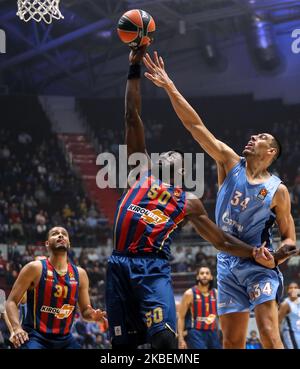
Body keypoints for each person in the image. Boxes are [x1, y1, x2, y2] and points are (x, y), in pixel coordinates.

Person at [105, 45, 293, 350]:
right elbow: (149, 119)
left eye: (176, 156)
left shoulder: (194, 201)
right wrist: (150, 76)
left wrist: (266, 255)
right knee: (226, 341)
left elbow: (257, 240)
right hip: (136, 265)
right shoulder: (145, 173)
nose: (168, 154)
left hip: (177, 265)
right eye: (165, 154)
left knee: (264, 334)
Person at [5, 226, 107, 349]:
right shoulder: (34, 268)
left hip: (65, 339)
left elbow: (85, 311)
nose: (60, 235)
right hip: (36, 336)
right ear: (47, 244)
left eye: (64, 234)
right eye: (55, 233)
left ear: (69, 243)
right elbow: (11, 301)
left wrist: (93, 316)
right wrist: (16, 328)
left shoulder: (80, 274)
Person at [178, 266, 221, 349]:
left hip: (213, 332)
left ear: (211, 277)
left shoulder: (216, 293)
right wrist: (181, 339)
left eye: (207, 273)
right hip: (195, 332)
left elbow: (221, 316)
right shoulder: (189, 294)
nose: (204, 275)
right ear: (197, 277)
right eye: (202, 273)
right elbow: (181, 317)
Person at [278, 282, 300, 349]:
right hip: (290, 334)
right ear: (288, 290)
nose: (293, 289)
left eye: (295, 287)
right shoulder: (285, 304)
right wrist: (279, 338)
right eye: (291, 288)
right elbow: (277, 322)